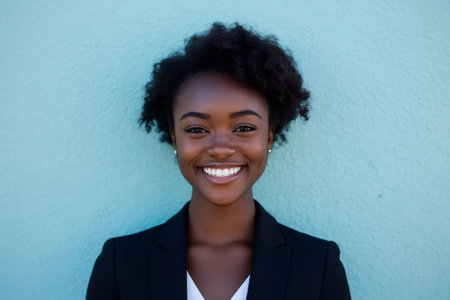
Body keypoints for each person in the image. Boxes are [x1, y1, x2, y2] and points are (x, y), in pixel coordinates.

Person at [87, 22, 351, 300]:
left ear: (269, 137)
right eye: (197, 130)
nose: (221, 149)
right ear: (175, 139)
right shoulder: (121, 264)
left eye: (244, 128)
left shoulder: (318, 265)